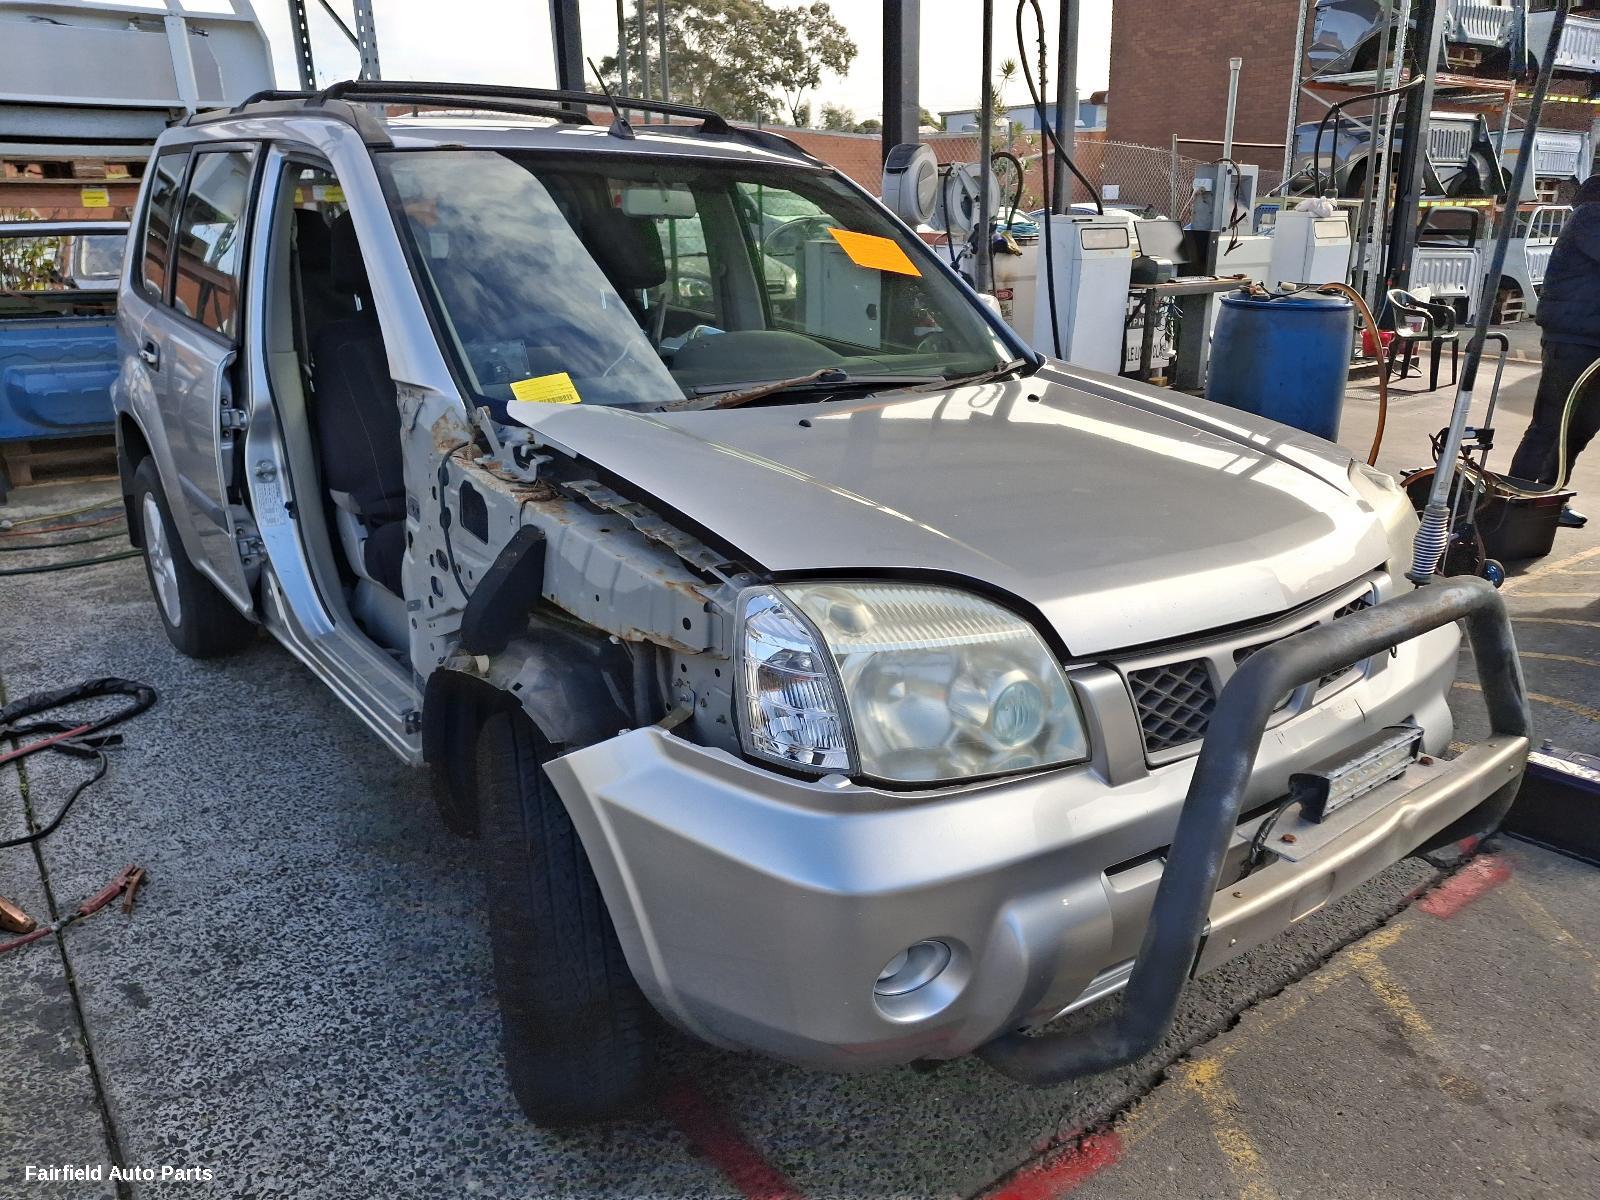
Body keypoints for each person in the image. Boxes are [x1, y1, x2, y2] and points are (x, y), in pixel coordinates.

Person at [1508, 174, 1600, 527]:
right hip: (1574, 338)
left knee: (1581, 427)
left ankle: (1549, 497)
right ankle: (1518, 501)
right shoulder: (1591, 217)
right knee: (1551, 425)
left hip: (1594, 339)